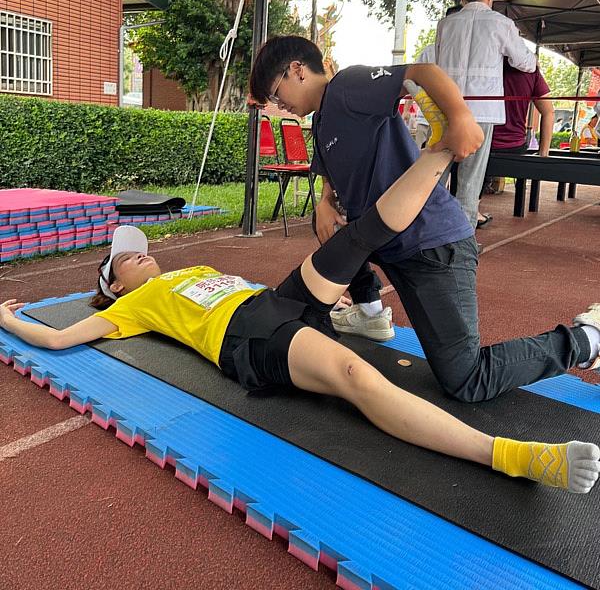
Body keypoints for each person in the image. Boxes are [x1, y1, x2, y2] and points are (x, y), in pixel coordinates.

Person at [2, 150, 599, 495]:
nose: (135, 254)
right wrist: (7, 317)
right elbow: (55, 338)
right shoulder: (131, 308)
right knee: (357, 378)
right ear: (114, 290)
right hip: (248, 340)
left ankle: (441, 150)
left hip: (277, 301)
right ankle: (514, 457)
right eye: (121, 261)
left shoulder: (194, 267)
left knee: (355, 238)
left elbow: (271, 286)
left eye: (134, 248)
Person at [248, 34, 600, 403]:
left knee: (465, 379)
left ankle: (586, 339)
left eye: (275, 93)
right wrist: (323, 201)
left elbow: (422, 71)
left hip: (432, 246)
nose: (279, 105)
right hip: (387, 243)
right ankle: (369, 310)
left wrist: (460, 117)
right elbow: (330, 170)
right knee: (341, 237)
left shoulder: (347, 86)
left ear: (297, 70)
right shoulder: (321, 123)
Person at [434, 0, 537, 228]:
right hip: (482, 111)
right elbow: (525, 62)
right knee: (471, 179)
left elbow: (437, 63)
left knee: (436, 173)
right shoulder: (501, 24)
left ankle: (427, 230)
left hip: (448, 107)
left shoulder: (446, 24)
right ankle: (462, 241)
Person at [479, 58, 554, 212]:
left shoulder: (483, 64)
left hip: (479, 144)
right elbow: (549, 112)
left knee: (473, 161)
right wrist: (543, 153)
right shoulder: (531, 70)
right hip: (514, 147)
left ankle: (473, 206)